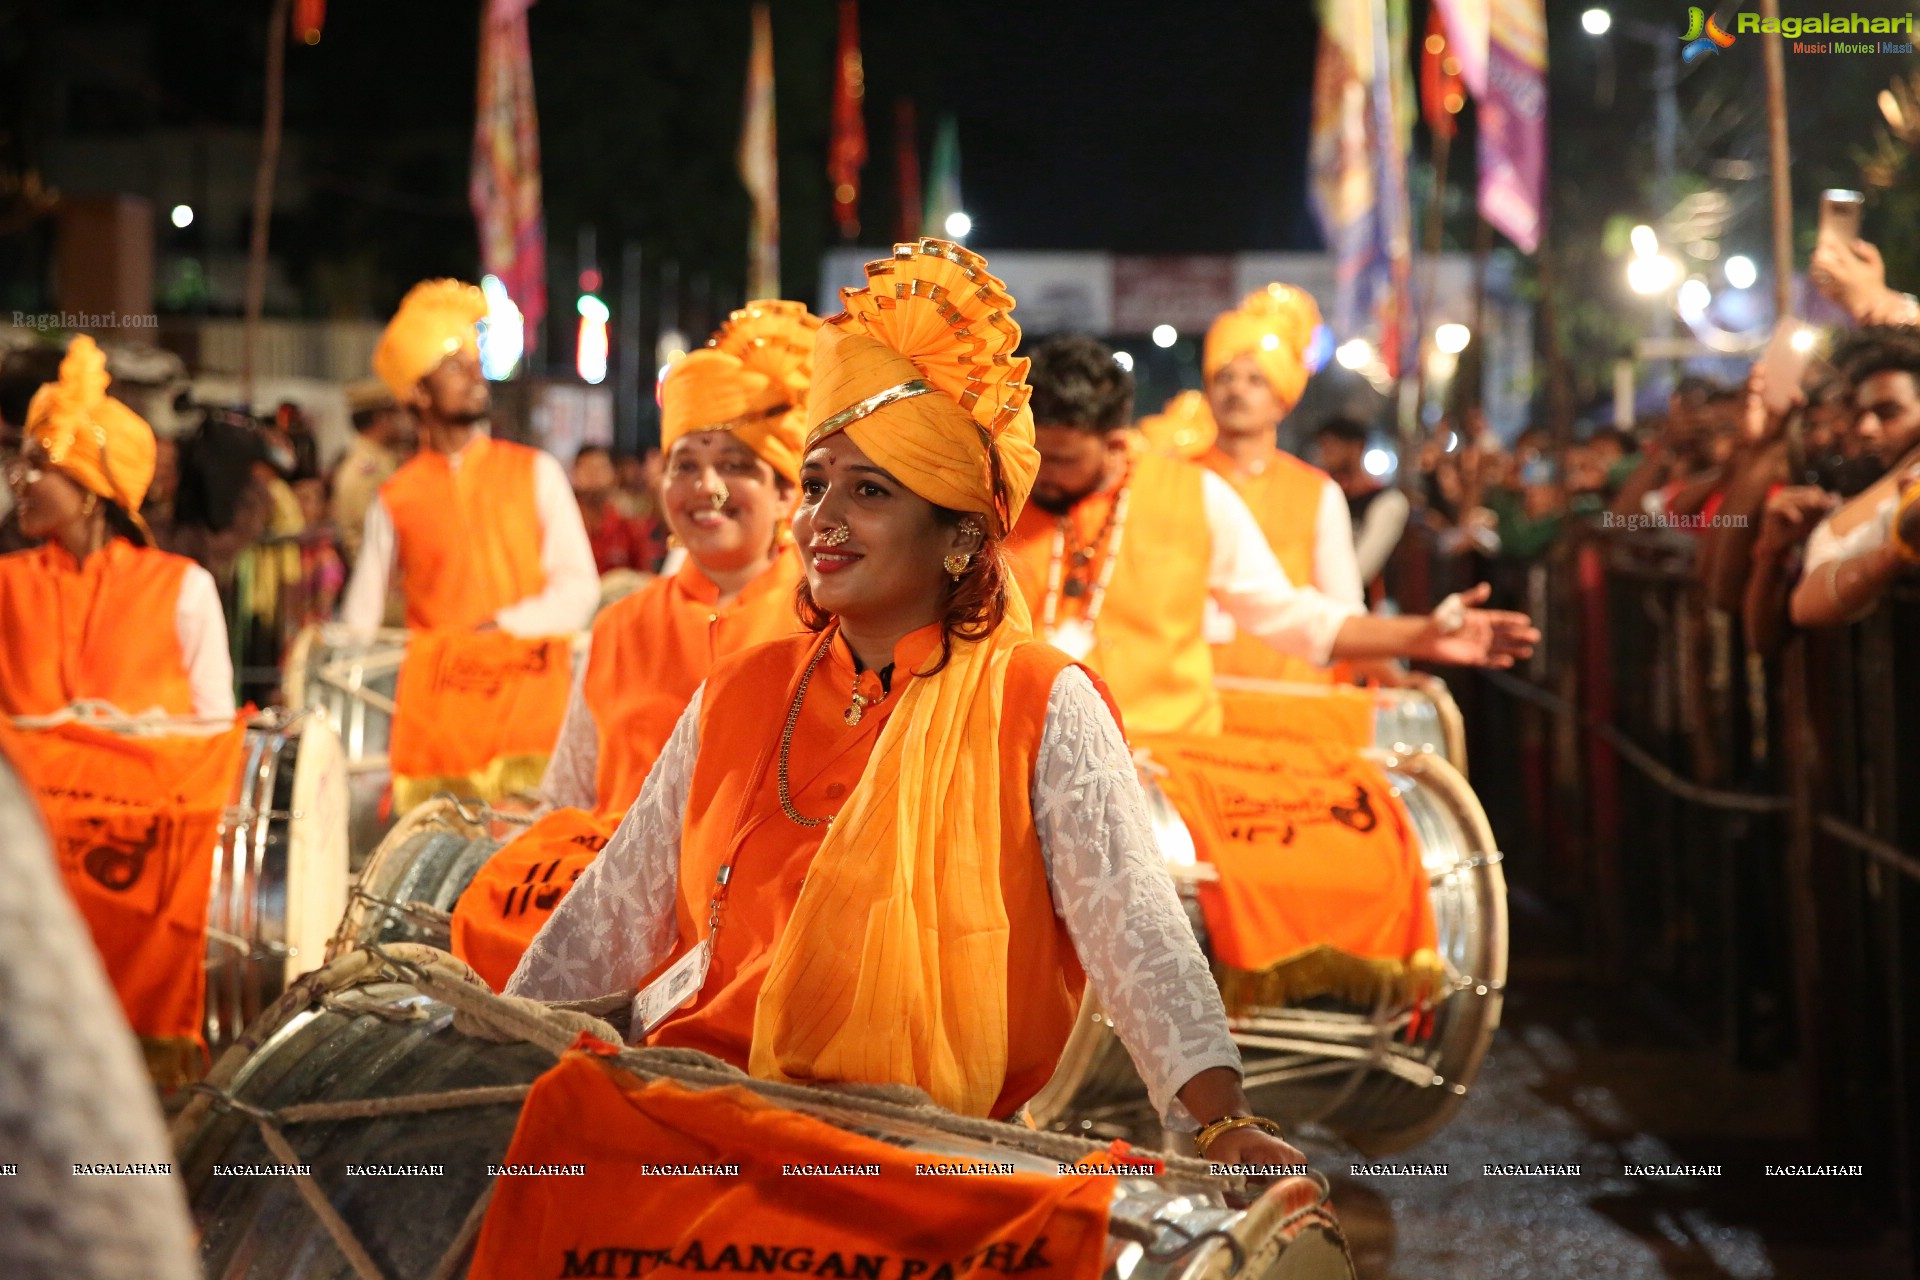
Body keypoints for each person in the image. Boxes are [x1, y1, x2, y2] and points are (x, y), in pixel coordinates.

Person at [508, 240, 1308, 1167]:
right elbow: (616, 907)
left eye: (870, 491)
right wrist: (499, 1048)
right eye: (814, 485)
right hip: (704, 1116)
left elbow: (1134, 926)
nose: (821, 520)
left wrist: (1219, 1117)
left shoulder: (1041, 701)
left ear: (960, 535)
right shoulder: (743, 689)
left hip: (926, 1148)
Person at [453, 301, 817, 989]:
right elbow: (567, 793)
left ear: (786, 495)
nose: (706, 488)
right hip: (610, 934)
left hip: (768, 942)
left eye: (736, 464)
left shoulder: (827, 624)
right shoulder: (620, 626)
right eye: (686, 464)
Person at [1006, 333, 1537, 737]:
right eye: (1033, 452)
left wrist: (1418, 637)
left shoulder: (1196, 495)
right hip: (1022, 748)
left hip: (1162, 759)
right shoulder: (1000, 495)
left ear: (1116, 443)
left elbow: (1296, 616)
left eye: (1061, 460)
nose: (1039, 472)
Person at [337, 280, 598, 638]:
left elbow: (579, 589)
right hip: (435, 687)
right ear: (418, 390)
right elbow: (359, 621)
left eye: (477, 363)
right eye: (456, 367)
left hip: (532, 684)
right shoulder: (396, 497)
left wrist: (505, 627)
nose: (477, 376)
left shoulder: (536, 471)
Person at [0, 335, 235, 720]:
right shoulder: (7, 585)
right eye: (18, 462)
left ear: (93, 488)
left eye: (39, 465)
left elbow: (213, 735)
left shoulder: (184, 591)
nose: (17, 479)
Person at [1201, 285, 1364, 683]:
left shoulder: (1317, 493)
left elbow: (1344, 614)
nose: (1236, 390)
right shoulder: (1169, 480)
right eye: (1226, 377)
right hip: (1190, 704)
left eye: (1256, 380)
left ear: (1282, 400)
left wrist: (1394, 669)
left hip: (1291, 702)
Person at [1790, 327, 1920, 628]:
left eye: (1888, 412)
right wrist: (1898, 550)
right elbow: (1806, 605)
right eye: (1862, 414)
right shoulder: (1903, 490)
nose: (1866, 429)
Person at [1315, 414, 1409, 595]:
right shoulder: (1327, 495)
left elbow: (1361, 569)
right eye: (1323, 446)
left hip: (1364, 607)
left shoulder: (1387, 502)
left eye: (1333, 446)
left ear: (1357, 447)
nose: (1326, 454)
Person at [329, 379, 412, 567]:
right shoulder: (365, 471)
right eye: (399, 413)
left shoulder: (383, 462)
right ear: (382, 419)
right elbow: (371, 532)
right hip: (381, 580)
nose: (407, 421)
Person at [572, 445, 655, 575]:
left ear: (614, 475)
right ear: (574, 475)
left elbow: (643, 576)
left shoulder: (627, 526)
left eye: (600, 469)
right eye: (587, 469)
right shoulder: (563, 524)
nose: (594, 476)